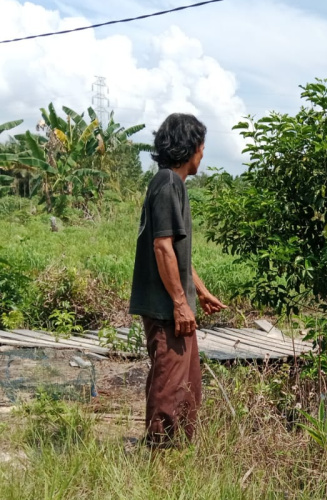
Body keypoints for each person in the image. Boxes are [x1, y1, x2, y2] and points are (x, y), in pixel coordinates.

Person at [129, 113, 226, 448]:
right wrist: (181, 303)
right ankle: (160, 456)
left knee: (187, 386)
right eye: (202, 147)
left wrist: (200, 291)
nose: (203, 154)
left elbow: (175, 252)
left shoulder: (170, 183)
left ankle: (178, 454)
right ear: (190, 147)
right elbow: (162, 247)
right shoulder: (169, 183)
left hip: (173, 308)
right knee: (169, 387)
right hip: (166, 309)